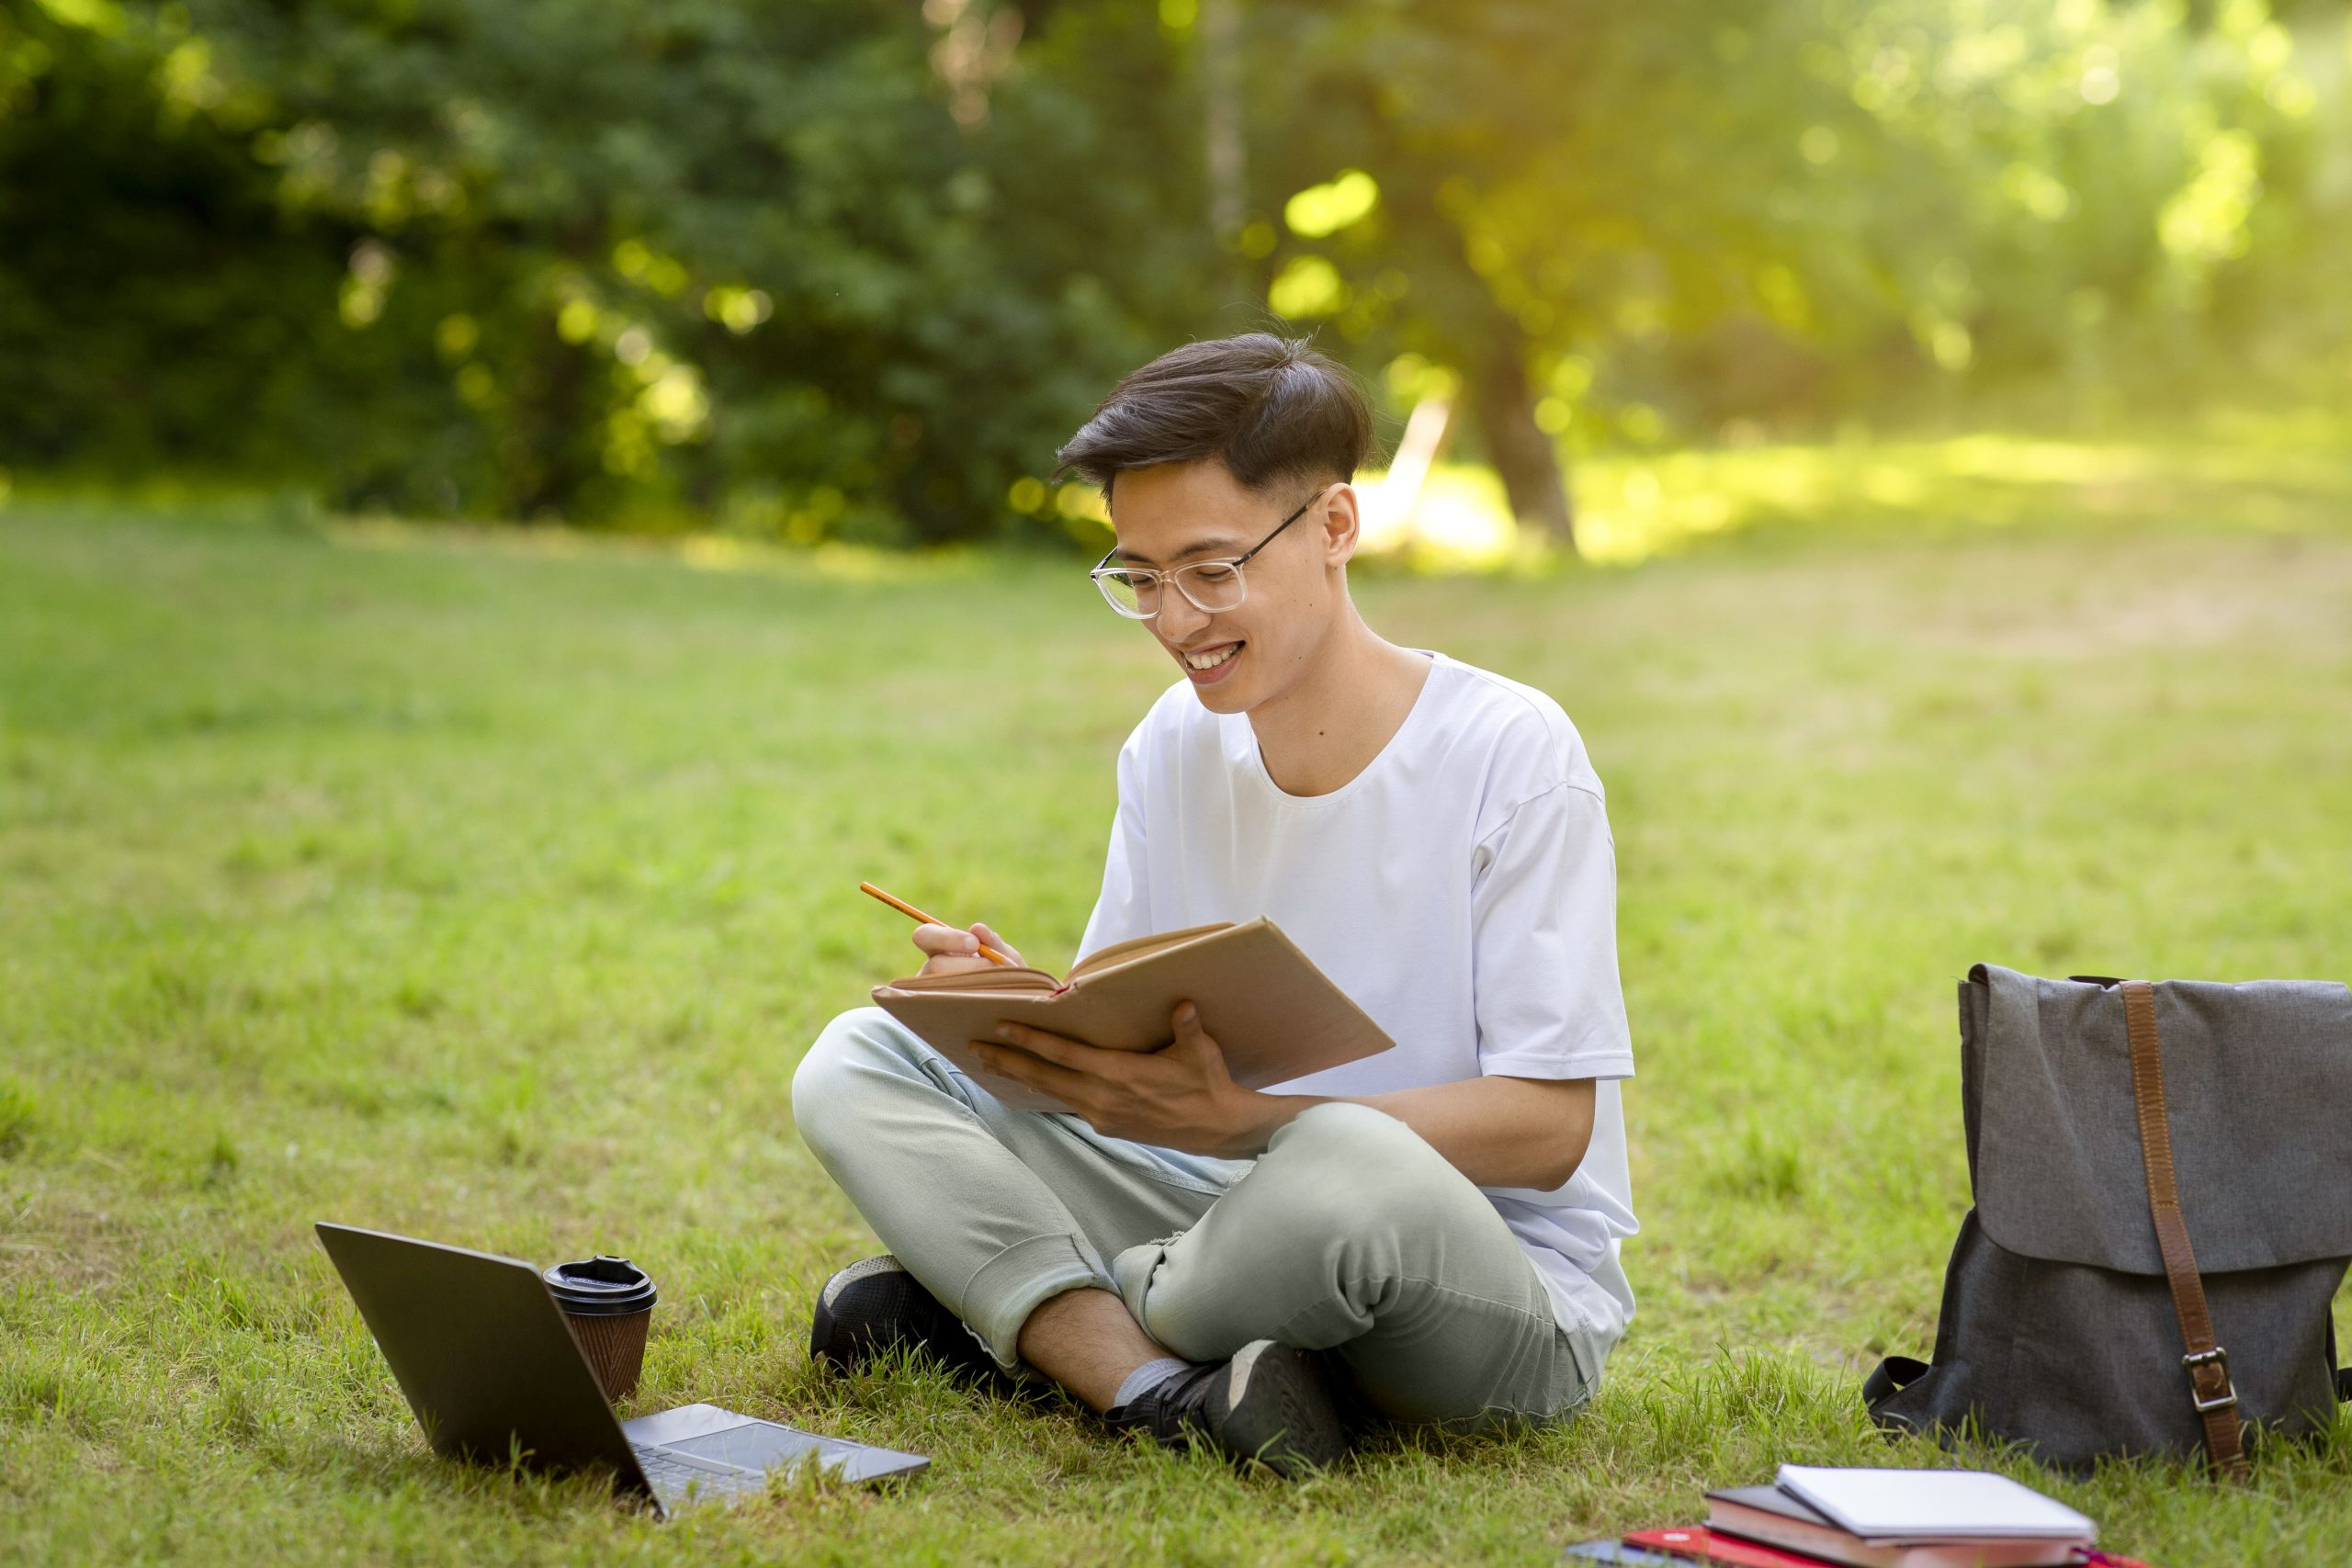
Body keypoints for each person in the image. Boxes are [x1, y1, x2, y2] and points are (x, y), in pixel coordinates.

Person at [790, 333, 1636, 1477]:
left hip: (1474, 1270)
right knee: (860, 1057)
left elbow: (1549, 1131)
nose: (1174, 620)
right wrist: (1022, 1008)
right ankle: (1151, 1386)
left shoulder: (1507, 752)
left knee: (1348, 1161)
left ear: (1334, 527)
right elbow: (1126, 1057)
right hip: (1215, 1209)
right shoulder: (1175, 745)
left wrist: (1250, 1121)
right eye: (1136, 576)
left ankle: (1033, 1317)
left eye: (1209, 569)